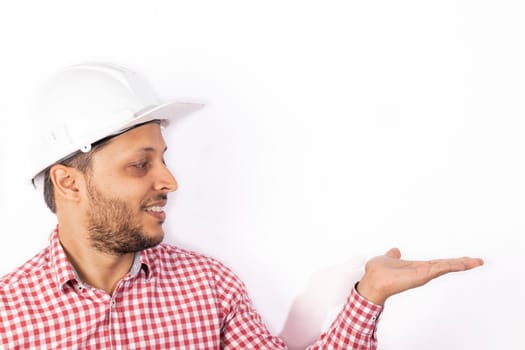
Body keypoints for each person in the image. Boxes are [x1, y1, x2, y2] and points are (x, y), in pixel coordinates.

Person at [0, 63, 483, 349]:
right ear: (68, 182)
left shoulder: (208, 286)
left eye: (163, 160)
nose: (169, 180)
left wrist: (369, 295)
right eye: (139, 165)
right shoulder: (7, 317)